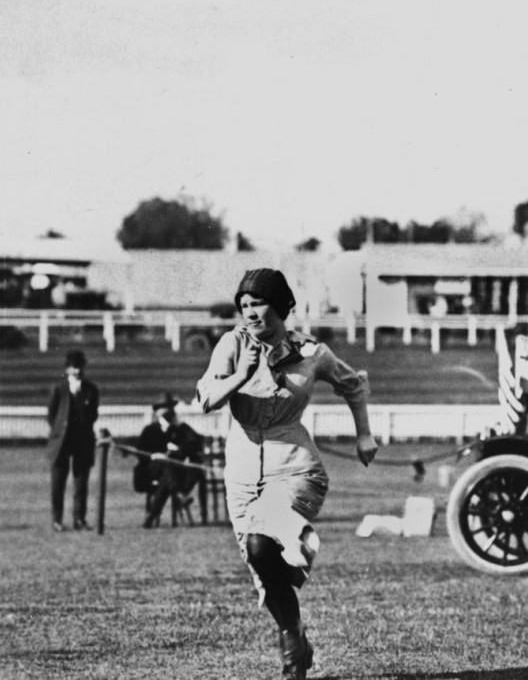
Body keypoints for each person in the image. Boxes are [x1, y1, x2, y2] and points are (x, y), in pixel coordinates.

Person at [196, 268, 378, 680]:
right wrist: (241, 376)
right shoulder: (231, 344)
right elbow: (206, 396)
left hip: (294, 466)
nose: (250, 313)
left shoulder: (313, 352)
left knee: (264, 543)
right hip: (242, 471)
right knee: (259, 560)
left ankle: (292, 659)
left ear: (281, 305)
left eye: (258, 304)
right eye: (243, 306)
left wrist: (364, 435)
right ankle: (294, 639)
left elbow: (354, 385)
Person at [46, 349, 100, 532]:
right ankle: (57, 520)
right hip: (61, 442)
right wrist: (60, 431)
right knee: (58, 483)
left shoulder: (91, 389)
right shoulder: (59, 388)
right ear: (67, 369)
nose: (76, 371)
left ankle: (79, 519)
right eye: (72, 368)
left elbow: (93, 414)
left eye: (79, 367)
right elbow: (52, 416)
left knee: (81, 483)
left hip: (82, 440)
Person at [135, 391, 205, 528]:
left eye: (170, 407)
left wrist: (179, 450)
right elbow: (141, 451)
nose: (168, 411)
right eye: (164, 408)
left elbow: (196, 441)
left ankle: (153, 514)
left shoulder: (180, 428)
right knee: (167, 467)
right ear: (158, 411)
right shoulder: (150, 430)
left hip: (175, 472)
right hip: (153, 470)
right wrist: (158, 455)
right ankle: (181, 496)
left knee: (170, 475)